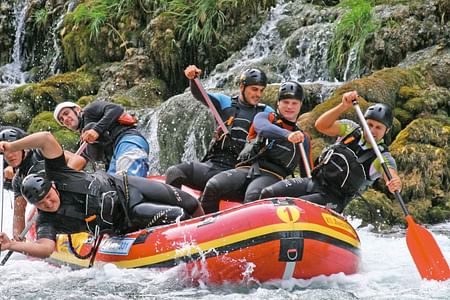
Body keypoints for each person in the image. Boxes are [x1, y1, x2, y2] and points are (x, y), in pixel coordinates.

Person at [0, 131, 204, 258]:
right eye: (42, 204)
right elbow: (45, 249)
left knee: (189, 202)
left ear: (52, 186)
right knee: (177, 214)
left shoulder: (59, 173)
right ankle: (203, 251)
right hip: (125, 216)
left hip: (128, 185)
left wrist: (12, 146)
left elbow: (45, 138)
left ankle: (211, 225)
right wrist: (12, 244)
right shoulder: (46, 220)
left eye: (48, 196)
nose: (49, 203)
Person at [260, 90, 402, 213]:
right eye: (369, 124)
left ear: (387, 130)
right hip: (315, 182)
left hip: (335, 199)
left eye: (378, 127)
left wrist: (395, 182)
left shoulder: (382, 157)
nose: (372, 130)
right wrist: (343, 106)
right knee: (268, 193)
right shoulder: (350, 129)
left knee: (293, 207)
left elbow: (391, 175)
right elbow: (320, 125)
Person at [200, 81, 313, 213]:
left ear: (300, 106)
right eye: (286, 102)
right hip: (245, 169)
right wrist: (287, 135)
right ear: (278, 103)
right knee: (214, 185)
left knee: (253, 195)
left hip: (272, 177)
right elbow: (263, 128)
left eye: (294, 103)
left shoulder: (303, 139)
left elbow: (308, 176)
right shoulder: (265, 117)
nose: (290, 107)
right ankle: (205, 226)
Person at [165, 65, 274, 191]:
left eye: (261, 90)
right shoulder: (225, 102)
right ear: (242, 87)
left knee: (215, 184)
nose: (258, 94)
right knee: (174, 172)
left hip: (240, 171)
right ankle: (176, 209)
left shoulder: (266, 112)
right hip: (214, 165)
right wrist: (193, 79)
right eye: (254, 89)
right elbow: (200, 94)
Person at [0, 127, 85, 240]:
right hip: (57, 211)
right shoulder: (18, 180)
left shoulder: (41, 152)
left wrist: (59, 180)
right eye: (5, 153)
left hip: (78, 196)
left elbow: (79, 160)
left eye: (13, 150)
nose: (10, 156)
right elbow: (18, 214)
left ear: (23, 148)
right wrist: (17, 240)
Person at [53, 100, 149, 177]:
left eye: (66, 113)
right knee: (113, 189)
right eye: (62, 120)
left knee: (126, 181)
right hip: (114, 157)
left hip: (127, 140)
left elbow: (116, 109)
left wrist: (96, 130)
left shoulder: (90, 110)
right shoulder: (83, 141)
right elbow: (79, 160)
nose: (65, 119)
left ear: (77, 109)